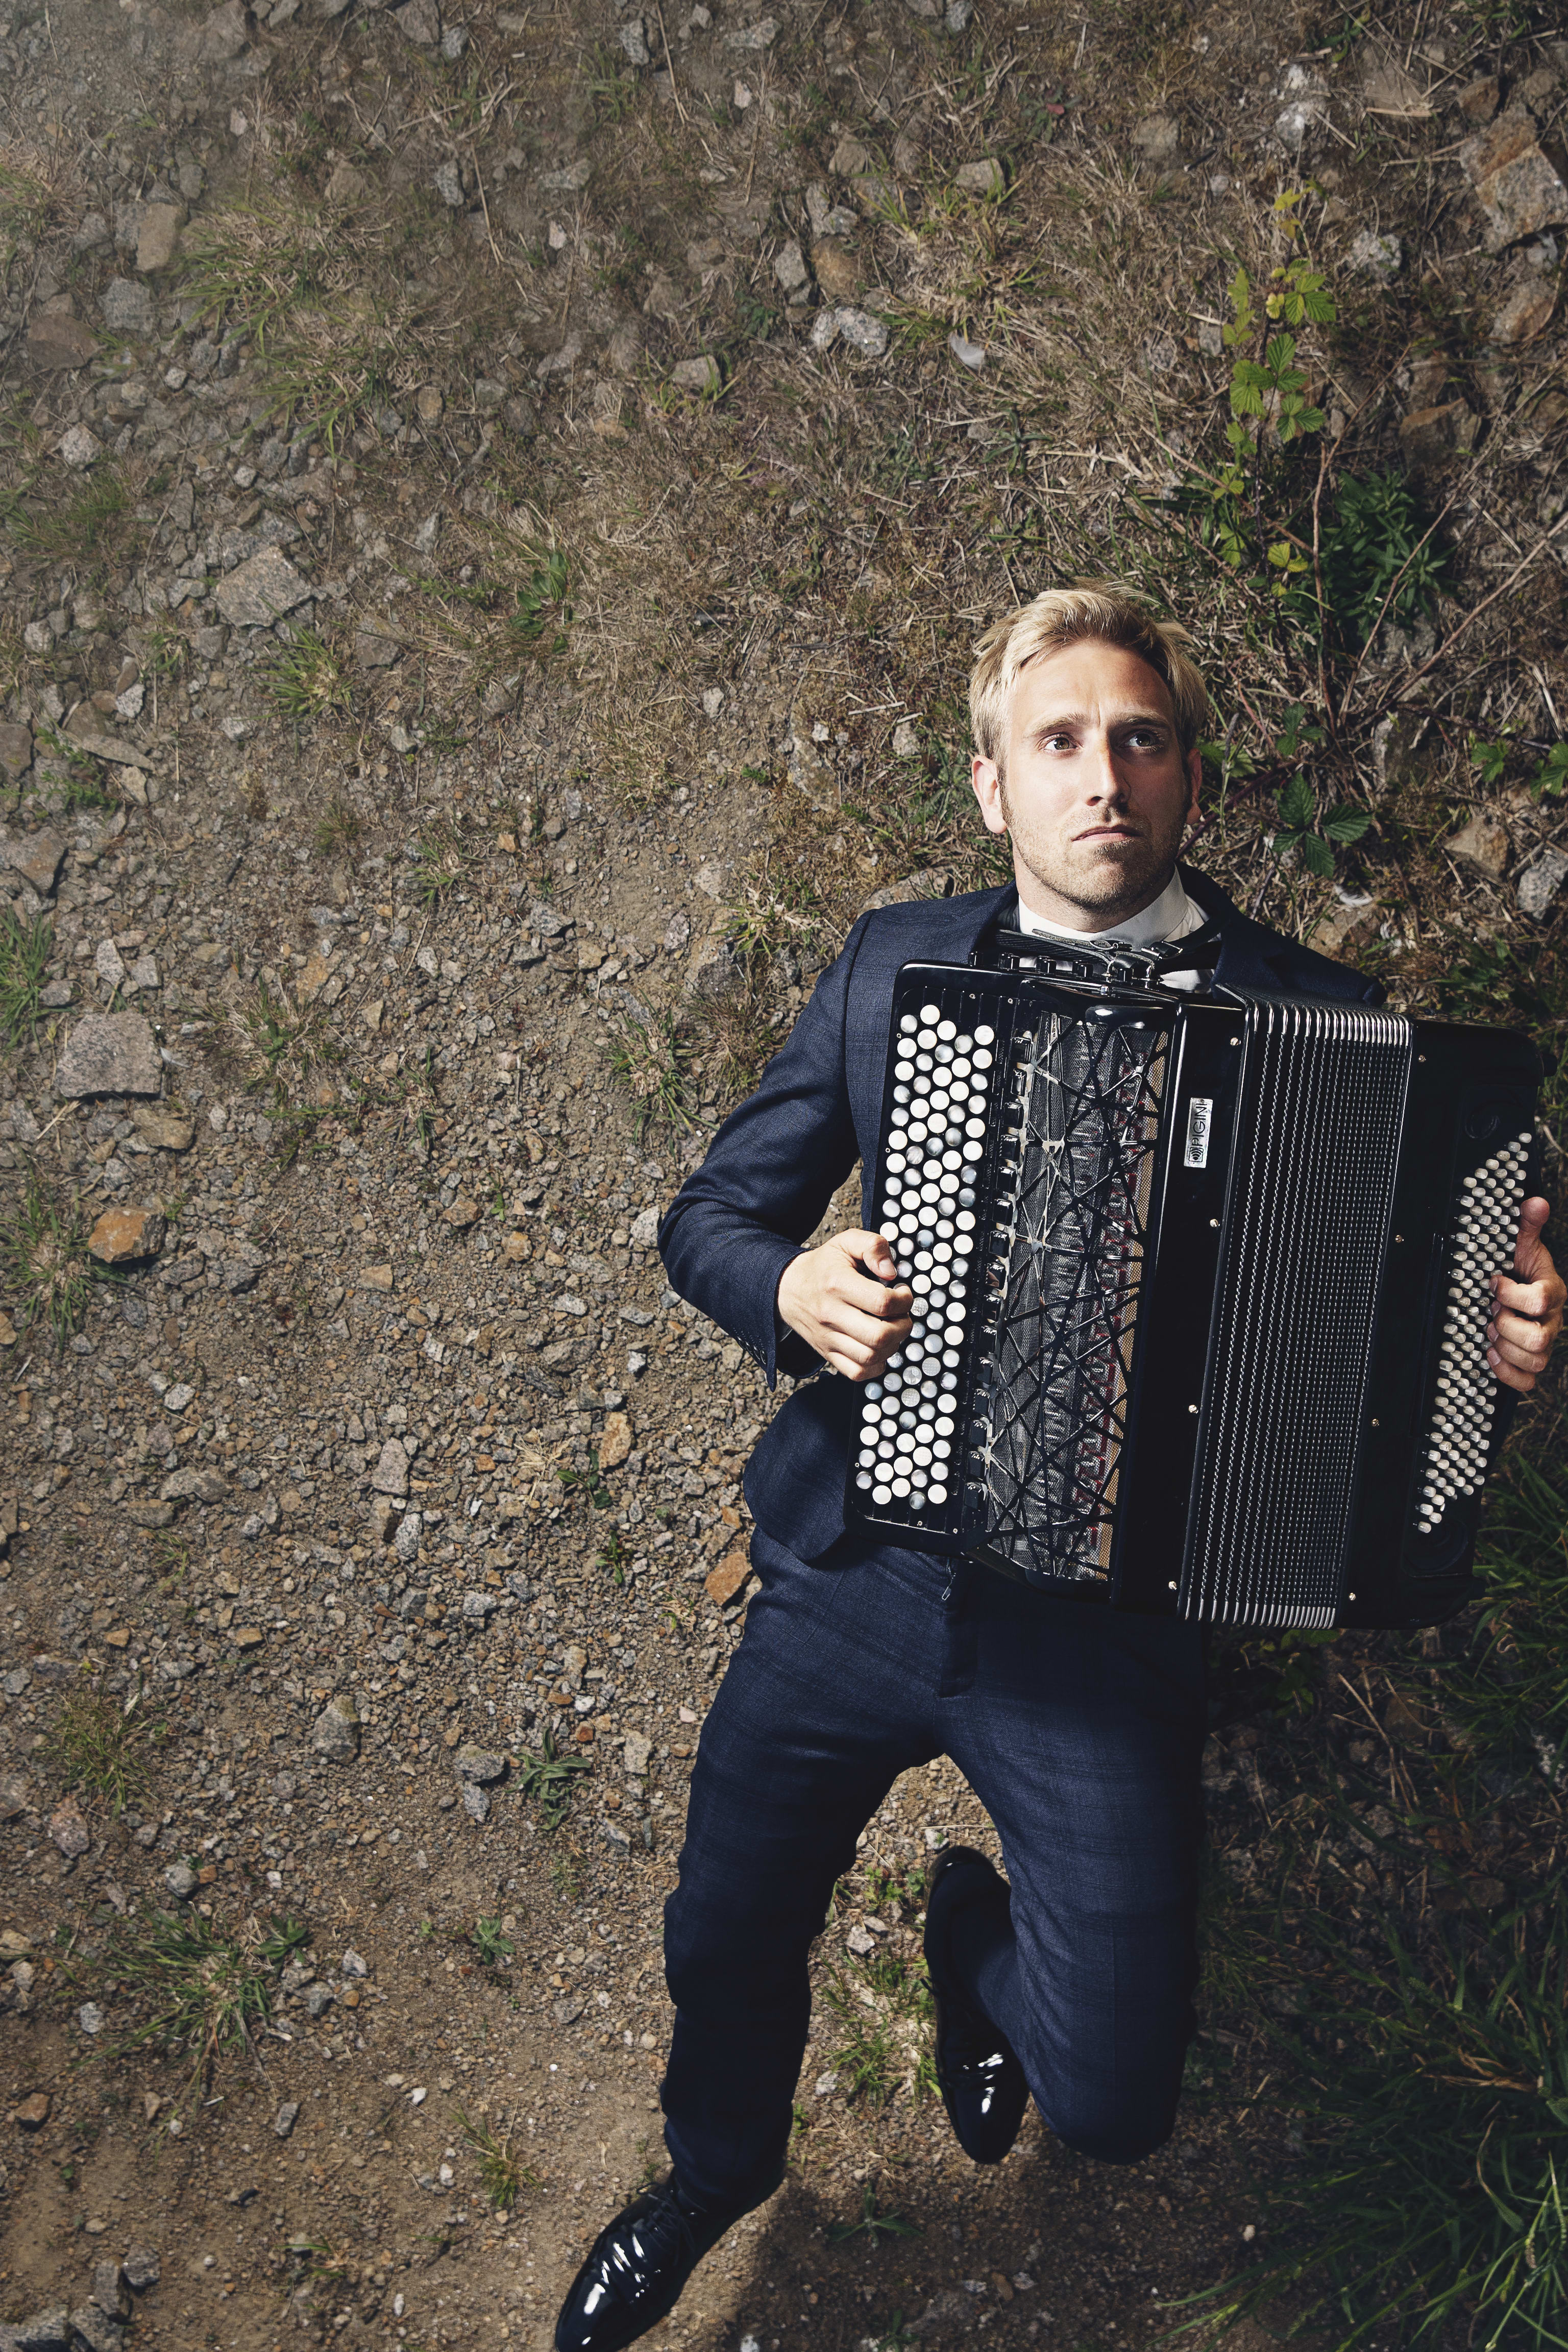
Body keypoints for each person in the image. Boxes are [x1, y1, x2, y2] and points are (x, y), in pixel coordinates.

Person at [554, 585, 1564, 2352]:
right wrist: (790, 1285)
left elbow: (1456, 1290)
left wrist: (1518, 1328)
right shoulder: (891, 962)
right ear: (992, 784)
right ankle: (717, 2168)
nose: (1105, 776)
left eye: (1141, 738)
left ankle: (977, 1950)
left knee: (1111, 2100)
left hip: (1106, 1638)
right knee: (725, 1924)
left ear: (1188, 778)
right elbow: (709, 1218)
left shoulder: (1320, 1018)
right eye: (1061, 741)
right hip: (863, 1570)